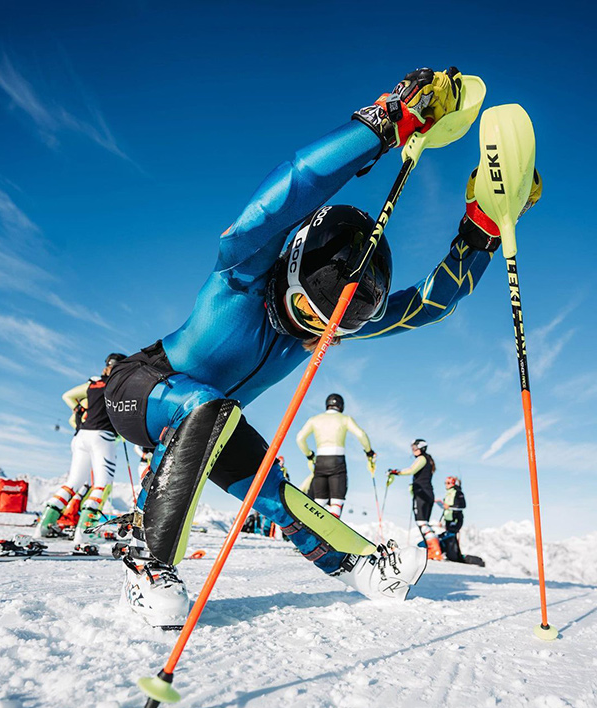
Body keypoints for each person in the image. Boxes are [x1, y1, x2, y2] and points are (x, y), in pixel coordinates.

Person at [104, 66, 541, 628]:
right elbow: (291, 189)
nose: (315, 331)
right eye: (308, 312)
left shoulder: (331, 322)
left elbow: (429, 306)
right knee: (205, 408)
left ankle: (359, 564)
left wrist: (478, 230)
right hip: (141, 390)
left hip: (210, 419)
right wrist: (385, 123)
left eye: (327, 328)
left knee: (272, 487)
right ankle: (146, 567)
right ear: (287, 275)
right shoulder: (243, 270)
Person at [37, 353, 126, 542]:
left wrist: (79, 410)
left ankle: (44, 525)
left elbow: (67, 396)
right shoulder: (120, 386)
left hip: (81, 436)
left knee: (73, 483)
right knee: (102, 485)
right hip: (103, 436)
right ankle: (85, 533)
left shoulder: (93, 384)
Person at [296, 394, 375, 518]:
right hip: (337, 461)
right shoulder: (345, 419)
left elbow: (300, 438)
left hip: (320, 461)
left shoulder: (314, 419)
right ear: (341, 406)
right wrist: (369, 451)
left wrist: (309, 454)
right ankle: (331, 527)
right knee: (336, 502)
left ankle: (313, 528)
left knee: (319, 501)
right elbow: (361, 434)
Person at [388, 439, 443, 560]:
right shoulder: (428, 460)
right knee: (424, 523)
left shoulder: (422, 459)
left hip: (422, 493)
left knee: (421, 522)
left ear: (421, 448)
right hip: (427, 493)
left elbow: (411, 470)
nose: (413, 451)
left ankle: (435, 550)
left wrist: (396, 472)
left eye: (415, 448)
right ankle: (433, 549)